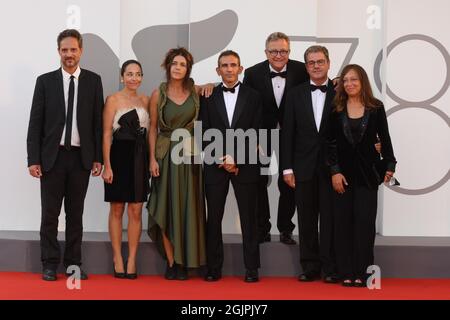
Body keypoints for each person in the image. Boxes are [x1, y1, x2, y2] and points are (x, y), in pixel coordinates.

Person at [27, 29, 103, 281]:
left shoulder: (93, 81)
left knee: (75, 215)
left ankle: (73, 264)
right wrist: (33, 159)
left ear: (81, 51)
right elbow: (35, 124)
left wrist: (98, 157)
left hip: (81, 159)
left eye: (73, 49)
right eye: (64, 50)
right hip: (52, 158)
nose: (69, 54)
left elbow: (97, 123)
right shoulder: (45, 81)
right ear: (58, 51)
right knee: (49, 214)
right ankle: (49, 263)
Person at [327, 64, 397, 287]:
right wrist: (335, 171)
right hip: (343, 177)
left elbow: (385, 138)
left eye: (354, 79)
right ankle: (346, 271)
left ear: (363, 81)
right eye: (346, 80)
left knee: (365, 226)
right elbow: (329, 144)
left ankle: (364, 273)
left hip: (368, 175)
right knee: (343, 224)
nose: (349, 84)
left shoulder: (376, 107)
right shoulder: (336, 108)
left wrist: (390, 164)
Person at [147, 47, 212, 280]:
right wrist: (152, 158)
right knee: (167, 206)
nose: (178, 67)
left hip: (190, 155)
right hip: (165, 157)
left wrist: (210, 85)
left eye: (182, 64)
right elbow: (152, 128)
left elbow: (217, 87)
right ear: (168, 66)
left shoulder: (196, 91)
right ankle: (173, 262)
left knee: (189, 208)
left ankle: (189, 260)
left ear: (188, 69)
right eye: (174, 63)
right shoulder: (158, 93)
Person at [200, 50, 263, 283]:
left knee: (249, 217)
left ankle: (252, 268)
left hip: (244, 165)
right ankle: (213, 268)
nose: (228, 69)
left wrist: (236, 158)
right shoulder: (207, 96)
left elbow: (257, 131)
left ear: (240, 68)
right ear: (218, 70)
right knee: (213, 218)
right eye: (224, 65)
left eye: (233, 65)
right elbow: (203, 131)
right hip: (215, 165)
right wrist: (220, 158)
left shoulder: (254, 96)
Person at [243, 32, 308, 245]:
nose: (278, 55)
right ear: (266, 52)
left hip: (293, 136)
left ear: (289, 52)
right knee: (258, 181)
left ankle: (286, 229)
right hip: (262, 135)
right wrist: (253, 138)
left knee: (289, 181)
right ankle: (262, 228)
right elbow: (248, 107)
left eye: (283, 51)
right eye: (274, 51)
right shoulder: (252, 73)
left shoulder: (301, 70)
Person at [281, 45, 339, 283]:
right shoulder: (295, 94)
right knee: (306, 220)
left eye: (320, 61)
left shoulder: (340, 93)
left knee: (330, 219)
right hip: (302, 167)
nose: (316, 66)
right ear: (306, 67)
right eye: (311, 62)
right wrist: (287, 167)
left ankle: (331, 267)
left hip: (332, 168)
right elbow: (287, 133)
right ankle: (310, 267)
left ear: (328, 63)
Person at [102, 60, 149, 279]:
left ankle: (132, 258)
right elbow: (106, 134)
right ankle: (117, 257)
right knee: (117, 208)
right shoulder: (113, 99)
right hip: (118, 156)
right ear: (122, 77)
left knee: (136, 210)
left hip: (140, 157)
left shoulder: (146, 100)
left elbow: (151, 132)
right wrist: (107, 166)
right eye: (129, 74)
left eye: (138, 74)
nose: (134, 78)